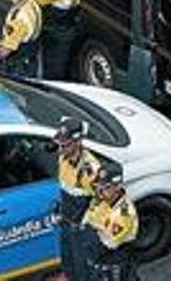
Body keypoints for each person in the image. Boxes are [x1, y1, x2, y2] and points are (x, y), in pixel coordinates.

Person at [54, 116, 102, 280]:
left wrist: (85, 225)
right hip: (67, 222)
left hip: (81, 229)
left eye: (65, 145)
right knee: (67, 259)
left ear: (78, 142)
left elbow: (101, 202)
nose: (60, 149)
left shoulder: (91, 171)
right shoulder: (63, 158)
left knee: (82, 268)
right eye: (59, 144)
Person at [82, 167, 139, 280]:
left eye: (106, 187)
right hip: (102, 261)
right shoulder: (101, 200)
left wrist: (92, 229)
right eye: (99, 186)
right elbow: (85, 221)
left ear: (118, 186)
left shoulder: (125, 214)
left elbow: (105, 244)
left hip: (117, 261)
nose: (101, 191)